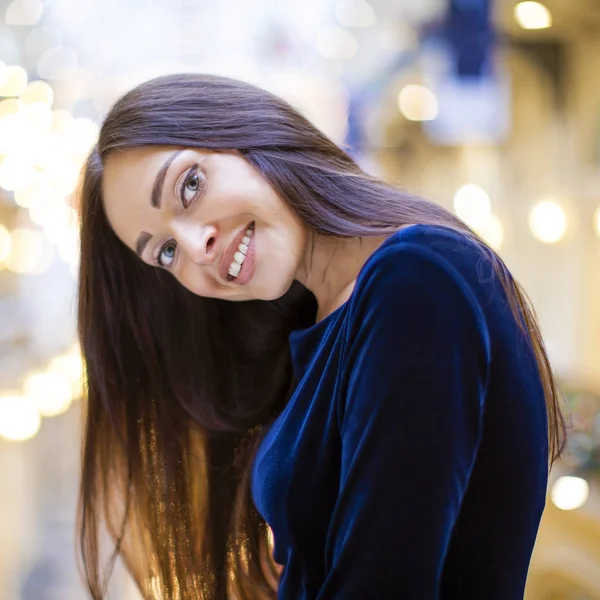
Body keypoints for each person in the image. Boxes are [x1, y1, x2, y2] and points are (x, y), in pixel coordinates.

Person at [77, 73, 568, 600]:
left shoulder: (415, 278)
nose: (196, 248)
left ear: (250, 133)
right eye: (166, 253)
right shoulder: (318, 329)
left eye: (190, 185)